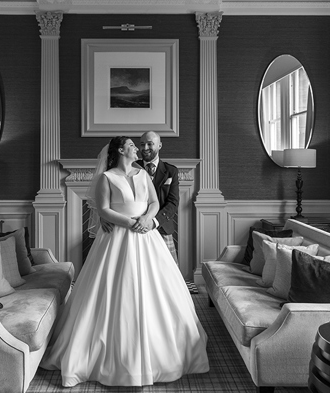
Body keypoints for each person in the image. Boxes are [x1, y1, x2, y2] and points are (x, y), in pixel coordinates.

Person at [40, 136, 209, 387]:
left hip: (147, 237)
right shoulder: (107, 178)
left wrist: (148, 220)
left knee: (159, 290)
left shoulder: (142, 174)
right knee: (112, 290)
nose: (137, 148)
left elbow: (153, 201)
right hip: (117, 238)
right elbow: (105, 209)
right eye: (131, 145)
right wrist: (131, 223)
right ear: (120, 150)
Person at [136, 130, 179, 263]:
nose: (145, 148)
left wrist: (153, 222)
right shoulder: (132, 167)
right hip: (136, 227)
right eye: (142, 144)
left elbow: (173, 203)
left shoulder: (171, 171)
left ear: (159, 145)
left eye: (150, 144)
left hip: (162, 227)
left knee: (169, 275)